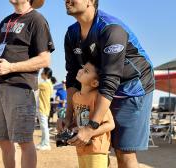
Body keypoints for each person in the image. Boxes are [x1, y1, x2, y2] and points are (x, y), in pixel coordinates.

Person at [58, 0, 155, 167]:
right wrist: (68, 117)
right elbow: (73, 77)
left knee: (124, 152)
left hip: (132, 89)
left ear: (90, 1)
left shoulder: (111, 29)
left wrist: (91, 127)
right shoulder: (71, 34)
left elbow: (109, 81)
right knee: (98, 147)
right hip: (102, 89)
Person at [0, 0, 54, 167]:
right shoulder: (5, 21)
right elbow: (5, 52)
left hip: (21, 87)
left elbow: (45, 59)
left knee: (24, 141)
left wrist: (11, 67)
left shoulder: (37, 20)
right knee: (3, 140)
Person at [68, 60, 115, 168]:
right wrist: (72, 129)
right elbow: (78, 122)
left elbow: (110, 124)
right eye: (82, 68)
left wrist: (90, 133)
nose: (80, 71)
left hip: (97, 149)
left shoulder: (98, 97)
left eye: (86, 71)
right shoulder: (75, 97)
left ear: (94, 83)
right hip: (81, 149)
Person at [36, 67, 55, 150]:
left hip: (43, 108)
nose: (41, 74)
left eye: (42, 72)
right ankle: (43, 142)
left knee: (44, 127)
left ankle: (46, 144)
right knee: (44, 126)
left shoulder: (45, 84)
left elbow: (34, 85)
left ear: (46, 74)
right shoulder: (49, 83)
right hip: (45, 108)